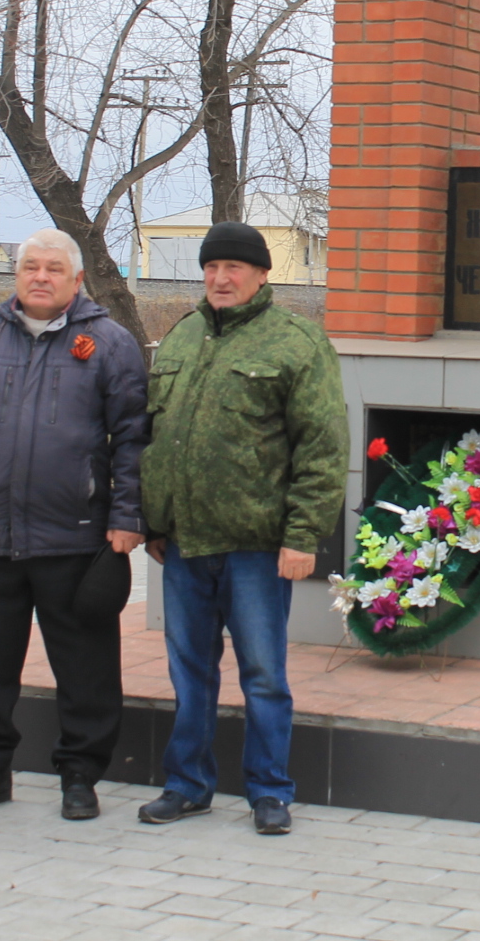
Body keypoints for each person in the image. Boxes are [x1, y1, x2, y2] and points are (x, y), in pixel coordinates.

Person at [136, 221, 347, 836]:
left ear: (261, 275)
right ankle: (188, 784)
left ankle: (270, 791)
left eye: (234, 268)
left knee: (262, 672)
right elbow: (155, 434)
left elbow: (324, 448)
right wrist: (155, 519)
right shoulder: (181, 337)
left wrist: (302, 535)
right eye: (211, 267)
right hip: (184, 545)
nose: (220, 278)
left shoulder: (297, 343)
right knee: (189, 671)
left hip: (256, 547)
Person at [0, 228, 150, 821]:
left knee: (85, 669)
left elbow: (133, 437)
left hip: (75, 538)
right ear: (15, 275)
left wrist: (126, 515)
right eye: (29, 266)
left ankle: (80, 775)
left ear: (76, 280)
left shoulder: (108, 345)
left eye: (53, 269)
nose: (39, 277)